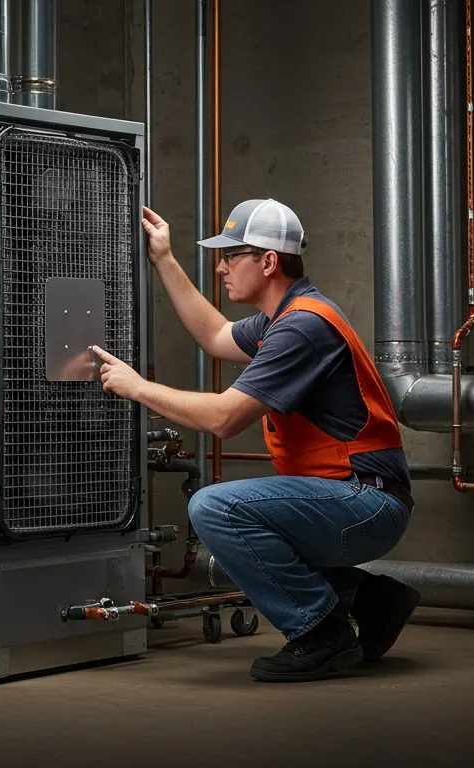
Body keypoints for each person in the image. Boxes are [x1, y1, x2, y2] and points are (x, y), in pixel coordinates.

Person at [90, 199, 421, 683]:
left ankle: (322, 634)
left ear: (267, 261)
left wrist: (138, 388)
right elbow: (215, 335)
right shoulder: (281, 319)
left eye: (231, 256)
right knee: (244, 524)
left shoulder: (302, 327)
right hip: (355, 495)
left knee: (215, 509)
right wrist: (163, 258)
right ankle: (370, 600)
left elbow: (224, 419)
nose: (220, 267)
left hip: (365, 502)